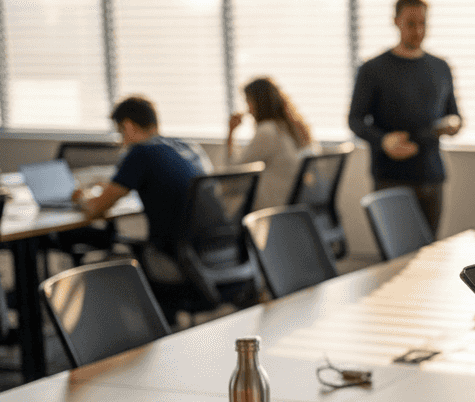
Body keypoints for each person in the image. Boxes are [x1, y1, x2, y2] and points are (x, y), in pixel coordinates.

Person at [76, 95, 212, 293]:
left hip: (174, 256)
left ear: (128, 126)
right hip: (212, 251)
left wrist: (78, 198)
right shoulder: (187, 146)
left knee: (110, 256)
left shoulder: (141, 153)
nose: (121, 139)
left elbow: (96, 209)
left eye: (120, 131)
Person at [348, 0, 461, 236]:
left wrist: (452, 124)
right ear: (396, 22)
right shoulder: (373, 69)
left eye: (423, 24)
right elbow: (355, 120)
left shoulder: (440, 67)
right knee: (396, 260)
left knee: (429, 255)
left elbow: (454, 115)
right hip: (391, 178)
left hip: (431, 176)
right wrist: (383, 141)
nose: (418, 31)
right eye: (411, 24)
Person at [227, 77, 315, 213]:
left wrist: (231, 133)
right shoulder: (286, 128)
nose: (248, 110)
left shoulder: (267, 131)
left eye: (248, 102)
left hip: (271, 209)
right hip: (290, 204)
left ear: (258, 103)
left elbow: (234, 172)